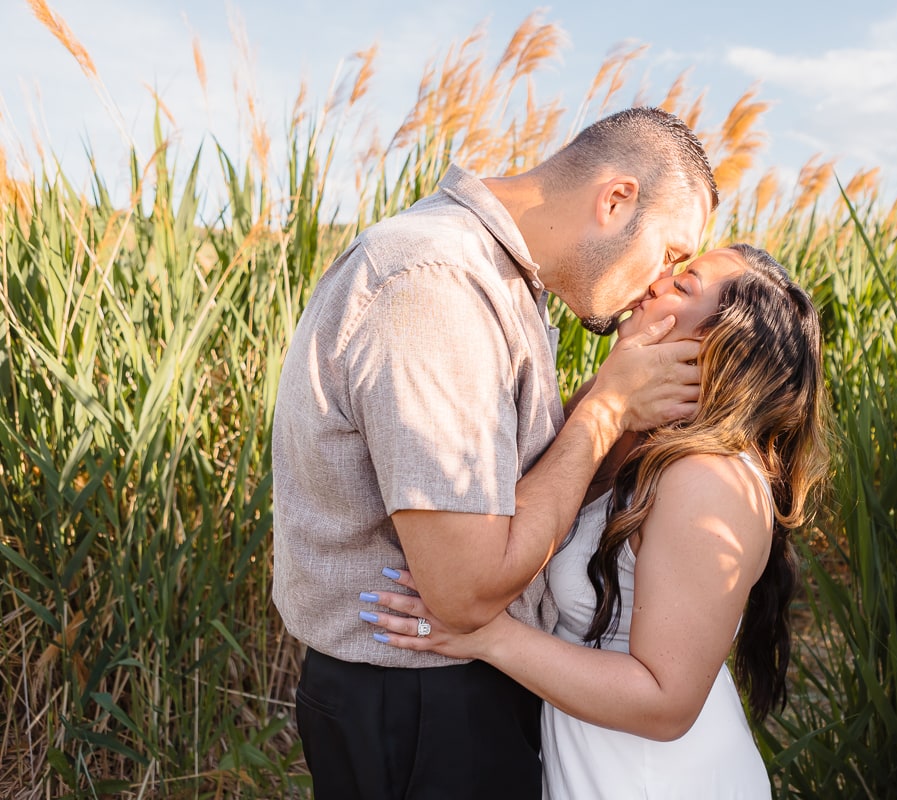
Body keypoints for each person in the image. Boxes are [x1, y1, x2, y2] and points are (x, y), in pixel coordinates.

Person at [271, 107, 719, 799]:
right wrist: (606, 409)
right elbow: (463, 593)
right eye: (671, 253)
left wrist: (618, 398)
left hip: (446, 694)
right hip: (418, 703)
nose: (659, 284)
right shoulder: (436, 285)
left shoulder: (501, 278)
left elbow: (514, 486)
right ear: (616, 199)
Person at [361, 244, 830, 799]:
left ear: (720, 347)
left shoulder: (707, 479)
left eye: (683, 286)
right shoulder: (638, 433)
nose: (657, 281)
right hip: (600, 765)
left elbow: (665, 703)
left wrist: (485, 635)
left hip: (657, 781)